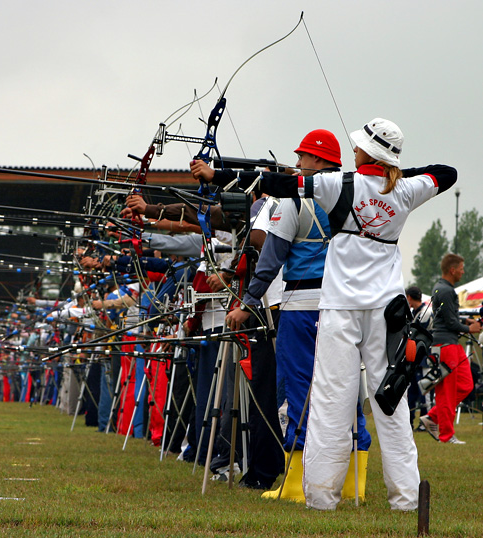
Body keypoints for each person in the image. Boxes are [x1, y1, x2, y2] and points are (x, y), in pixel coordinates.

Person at [195, 118, 457, 510]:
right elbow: (446, 174)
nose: (353, 151)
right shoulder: (406, 190)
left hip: (340, 308)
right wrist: (393, 177)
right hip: (386, 311)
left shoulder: (338, 184)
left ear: (368, 152)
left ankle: (321, 496)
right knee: (390, 400)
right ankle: (404, 499)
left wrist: (219, 175)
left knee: (331, 399)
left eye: (359, 148)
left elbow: (279, 184)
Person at [212, 129, 372, 501]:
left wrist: (248, 302)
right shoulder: (353, 193)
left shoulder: (292, 198)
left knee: (297, 392)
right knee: (347, 392)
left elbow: (271, 259)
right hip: (346, 307)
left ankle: (297, 484)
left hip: (301, 309)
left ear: (316, 161)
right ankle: (353, 485)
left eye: (302, 157)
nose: (297, 162)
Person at [419, 254, 480, 444]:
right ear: (452, 270)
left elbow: (448, 318)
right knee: (447, 391)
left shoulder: (444, 289)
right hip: (446, 346)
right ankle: (446, 435)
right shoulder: (446, 291)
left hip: (450, 344)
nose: (463, 271)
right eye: (461, 268)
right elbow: (450, 322)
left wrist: (465, 321)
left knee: (465, 384)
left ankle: (433, 417)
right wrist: (468, 328)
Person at [405, 285, 433, 431]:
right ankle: (409, 421)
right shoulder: (416, 312)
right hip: (416, 358)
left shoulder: (425, 312)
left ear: (409, 297)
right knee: (413, 391)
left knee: (425, 392)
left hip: (425, 357)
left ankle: (425, 423)